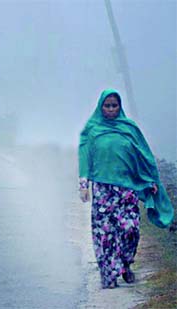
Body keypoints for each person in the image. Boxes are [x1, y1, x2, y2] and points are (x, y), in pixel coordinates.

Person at [79, 89, 174, 289]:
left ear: (120, 107)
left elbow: (141, 156)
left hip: (127, 190)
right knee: (105, 234)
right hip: (103, 191)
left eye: (115, 105)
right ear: (100, 107)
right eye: (107, 105)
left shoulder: (129, 129)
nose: (111, 109)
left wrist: (149, 181)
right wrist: (84, 184)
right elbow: (84, 158)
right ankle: (108, 275)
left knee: (130, 229)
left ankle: (125, 264)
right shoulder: (92, 130)